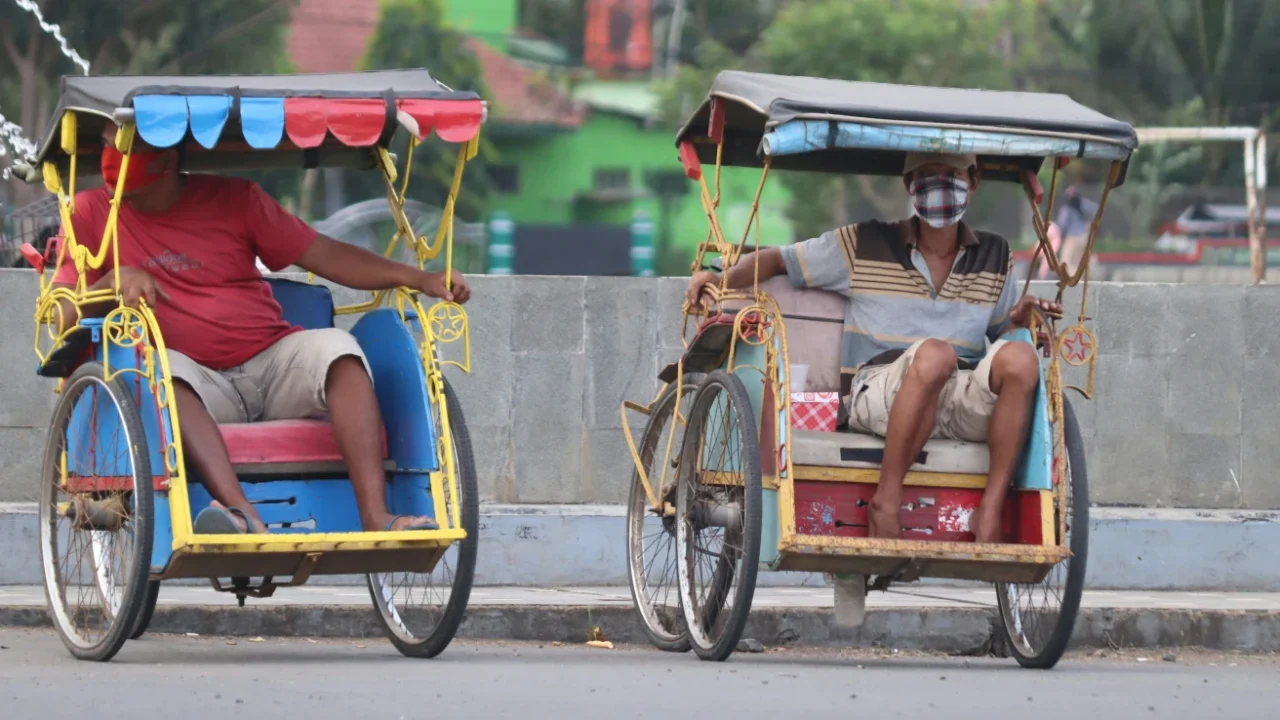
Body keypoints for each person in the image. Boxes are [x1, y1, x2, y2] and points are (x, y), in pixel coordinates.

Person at [52, 122, 471, 535]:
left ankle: (376, 516)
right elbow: (63, 317)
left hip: (270, 361)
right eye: (107, 145)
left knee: (339, 350)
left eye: (124, 146)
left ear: (165, 159)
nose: (110, 158)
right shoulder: (89, 212)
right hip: (190, 383)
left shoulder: (235, 200)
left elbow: (324, 253)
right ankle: (241, 514)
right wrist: (113, 281)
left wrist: (418, 278)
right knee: (163, 371)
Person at [685, 152, 1060, 543]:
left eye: (951, 175)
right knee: (936, 355)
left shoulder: (995, 256)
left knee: (1020, 359)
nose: (941, 185)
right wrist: (718, 275)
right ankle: (887, 498)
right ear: (909, 184)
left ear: (974, 180)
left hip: (959, 393)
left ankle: (992, 509)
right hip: (879, 390)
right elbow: (780, 260)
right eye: (928, 176)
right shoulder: (864, 242)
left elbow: (1000, 335)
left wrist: (1023, 320)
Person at [1054, 185, 1099, 276]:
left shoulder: (1067, 209)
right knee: (1078, 260)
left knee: (1066, 261)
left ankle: (1072, 281)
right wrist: (1090, 223)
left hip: (1072, 237)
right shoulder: (1082, 203)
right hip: (1083, 237)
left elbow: (1062, 224)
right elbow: (1096, 209)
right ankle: (1080, 279)